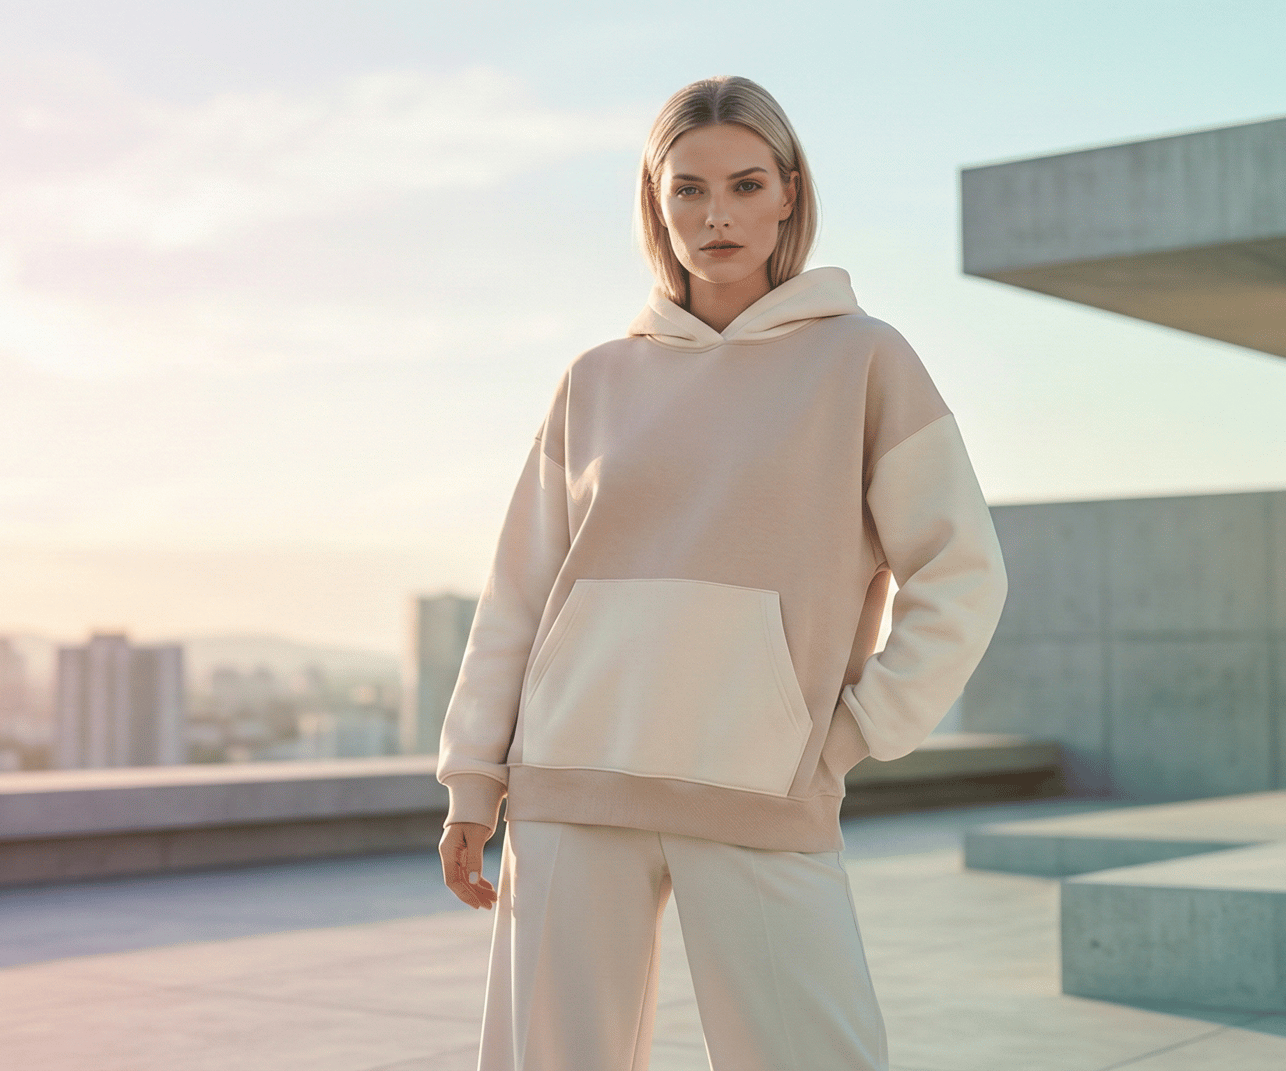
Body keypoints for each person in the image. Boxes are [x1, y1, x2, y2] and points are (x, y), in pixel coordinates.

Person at [432, 75, 1010, 1070]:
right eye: (688, 189)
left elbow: (962, 572)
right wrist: (472, 781)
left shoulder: (865, 362)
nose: (717, 215)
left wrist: (857, 730)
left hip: (758, 780)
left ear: (789, 192)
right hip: (577, 777)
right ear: (658, 203)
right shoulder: (597, 380)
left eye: (745, 185)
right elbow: (519, 593)